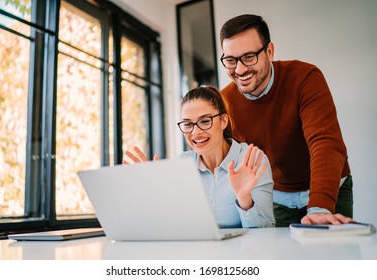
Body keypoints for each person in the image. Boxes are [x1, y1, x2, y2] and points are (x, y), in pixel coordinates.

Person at [219, 14, 354, 227]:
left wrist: (319, 207)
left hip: (329, 189)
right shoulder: (225, 102)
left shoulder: (305, 77)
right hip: (278, 196)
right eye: (230, 60)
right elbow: (219, 157)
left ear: (269, 52)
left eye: (249, 57)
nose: (240, 69)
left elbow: (324, 141)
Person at [124, 86, 275, 228]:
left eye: (204, 121)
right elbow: (171, 226)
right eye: (188, 124)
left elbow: (267, 231)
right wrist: (153, 193)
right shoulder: (181, 165)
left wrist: (244, 199)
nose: (195, 133)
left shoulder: (251, 160)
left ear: (223, 121)